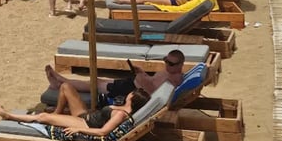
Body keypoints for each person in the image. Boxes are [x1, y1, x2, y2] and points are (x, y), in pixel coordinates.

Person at [0, 87, 149, 139]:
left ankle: (8, 115)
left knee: (42, 116)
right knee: (66, 87)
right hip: (85, 114)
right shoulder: (123, 108)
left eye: (132, 92)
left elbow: (103, 131)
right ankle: (57, 113)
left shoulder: (122, 115)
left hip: (84, 123)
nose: (130, 92)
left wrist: (79, 129)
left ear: (133, 98)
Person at [44, 48, 186, 99]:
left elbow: (154, 94)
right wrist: (142, 73)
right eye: (166, 60)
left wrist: (142, 78)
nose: (167, 64)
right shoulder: (168, 72)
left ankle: (60, 82)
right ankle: (61, 81)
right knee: (98, 80)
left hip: (131, 92)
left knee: (96, 85)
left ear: (180, 65)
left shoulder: (174, 80)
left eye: (171, 63)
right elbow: (153, 81)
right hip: (132, 84)